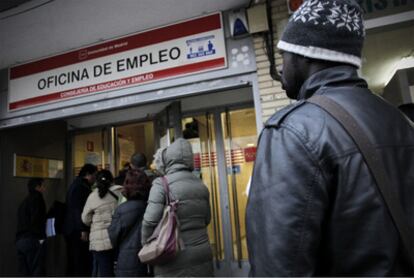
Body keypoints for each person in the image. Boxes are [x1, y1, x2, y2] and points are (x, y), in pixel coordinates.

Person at [246, 0, 414, 276]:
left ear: (305, 55)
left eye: (284, 54)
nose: (279, 67)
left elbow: (278, 268)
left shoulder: (293, 131)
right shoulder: (402, 122)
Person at [142, 138, 213, 277]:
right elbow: (207, 219)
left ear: (168, 159)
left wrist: (147, 245)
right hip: (202, 252)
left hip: (172, 253)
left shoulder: (161, 184)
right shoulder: (201, 185)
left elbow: (150, 221)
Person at [108, 168, 151, 277]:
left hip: (127, 261)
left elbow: (113, 237)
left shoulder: (121, 209)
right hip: (152, 259)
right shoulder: (153, 206)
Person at [82, 169, 123, 277]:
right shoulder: (120, 192)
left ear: (97, 181)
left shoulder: (92, 196)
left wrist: (95, 220)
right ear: (112, 180)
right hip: (118, 237)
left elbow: (85, 219)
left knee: (105, 271)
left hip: (99, 241)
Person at [63, 163, 97, 276]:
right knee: (80, 261)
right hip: (77, 230)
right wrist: (82, 229)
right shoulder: (81, 187)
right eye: (94, 175)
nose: (95, 178)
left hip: (71, 229)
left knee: (74, 261)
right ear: (88, 174)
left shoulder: (75, 185)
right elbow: (77, 210)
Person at [15, 178, 47, 276]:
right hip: (32, 240)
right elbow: (37, 220)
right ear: (37, 187)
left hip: (20, 240)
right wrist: (41, 238)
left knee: (24, 272)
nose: (44, 189)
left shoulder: (24, 202)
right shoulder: (38, 199)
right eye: (43, 186)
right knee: (36, 270)